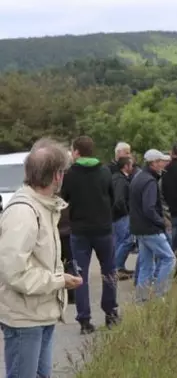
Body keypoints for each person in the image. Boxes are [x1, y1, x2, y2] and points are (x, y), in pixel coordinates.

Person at [0, 139, 83, 378]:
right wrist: (59, 281)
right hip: (24, 318)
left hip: (42, 313)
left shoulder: (45, 206)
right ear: (57, 175)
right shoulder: (24, 211)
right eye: (63, 172)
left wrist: (59, 279)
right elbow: (14, 271)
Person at [60, 136, 119, 334]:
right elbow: (112, 197)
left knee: (80, 275)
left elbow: (64, 198)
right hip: (103, 229)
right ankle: (111, 313)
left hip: (80, 231)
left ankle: (84, 320)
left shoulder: (70, 175)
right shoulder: (104, 171)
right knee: (109, 271)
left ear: (76, 152)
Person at [129, 149, 175, 302]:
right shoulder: (150, 181)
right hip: (150, 229)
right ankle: (159, 295)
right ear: (154, 163)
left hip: (139, 228)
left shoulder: (138, 177)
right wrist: (162, 222)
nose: (164, 164)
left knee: (146, 265)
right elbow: (149, 208)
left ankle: (141, 300)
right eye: (161, 161)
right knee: (169, 259)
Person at [112, 156, 135, 280]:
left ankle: (118, 267)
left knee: (120, 242)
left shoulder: (116, 178)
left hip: (116, 216)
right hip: (121, 216)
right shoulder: (121, 180)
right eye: (131, 165)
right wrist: (127, 213)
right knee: (128, 240)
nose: (133, 167)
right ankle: (117, 267)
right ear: (126, 166)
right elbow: (119, 200)